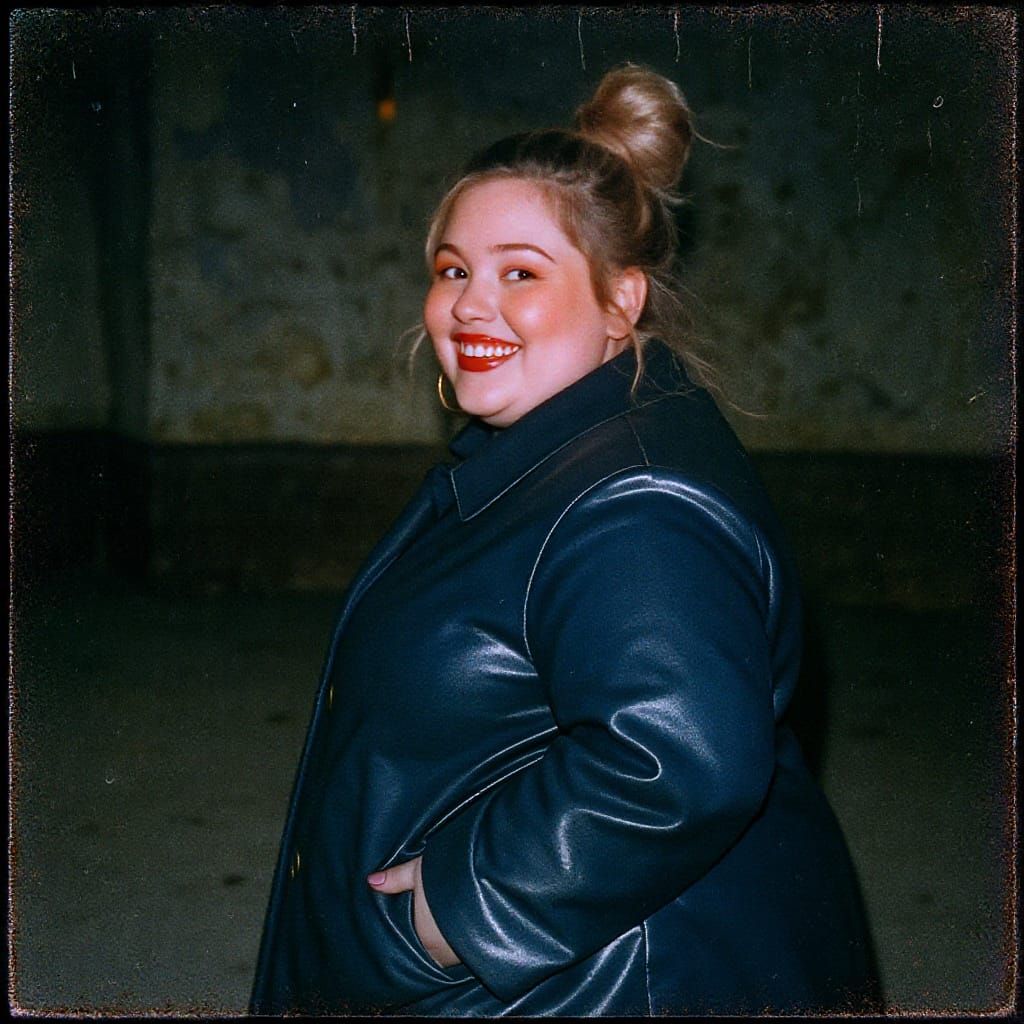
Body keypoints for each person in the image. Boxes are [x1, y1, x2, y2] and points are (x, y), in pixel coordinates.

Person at [249, 63, 880, 1017]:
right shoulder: (568, 447)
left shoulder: (634, 500)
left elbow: (677, 765)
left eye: (520, 273)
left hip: (593, 986)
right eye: (454, 269)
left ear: (622, 300)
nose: (469, 303)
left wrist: (457, 911)